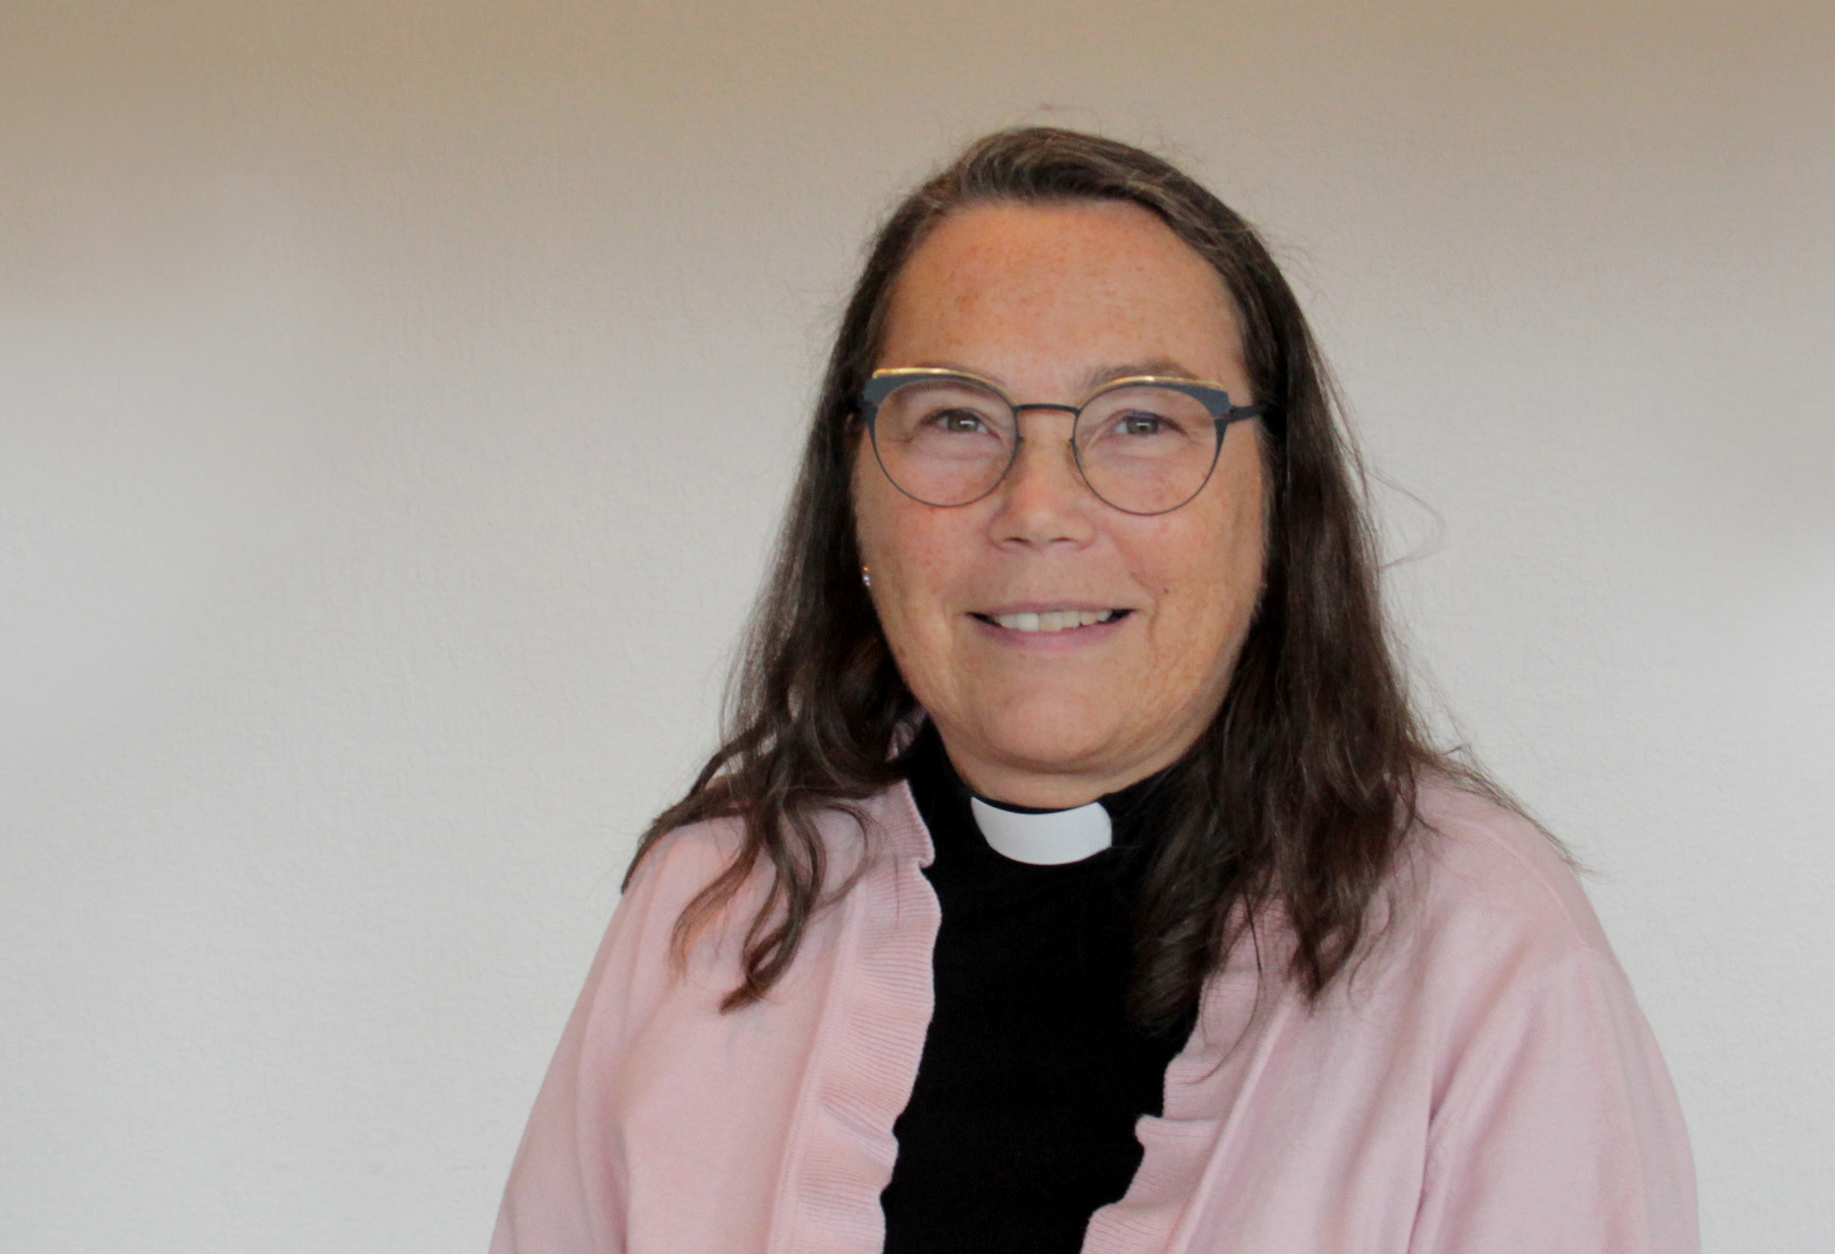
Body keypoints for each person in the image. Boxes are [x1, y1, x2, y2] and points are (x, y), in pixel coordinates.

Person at [489, 128, 1697, 1253]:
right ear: (854, 495)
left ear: (1279, 504)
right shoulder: (716, 904)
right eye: (956, 418)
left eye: (1141, 422)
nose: (1037, 511)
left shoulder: (1482, 947)